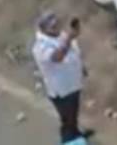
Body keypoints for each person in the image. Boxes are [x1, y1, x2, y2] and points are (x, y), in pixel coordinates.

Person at [32, 11, 93, 142]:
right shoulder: (40, 47)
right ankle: (69, 139)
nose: (56, 27)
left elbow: (73, 52)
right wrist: (69, 39)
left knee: (72, 116)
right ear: (43, 29)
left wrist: (81, 67)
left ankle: (76, 135)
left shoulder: (60, 35)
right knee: (68, 121)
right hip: (62, 90)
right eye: (51, 26)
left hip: (72, 84)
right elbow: (57, 57)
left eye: (56, 24)